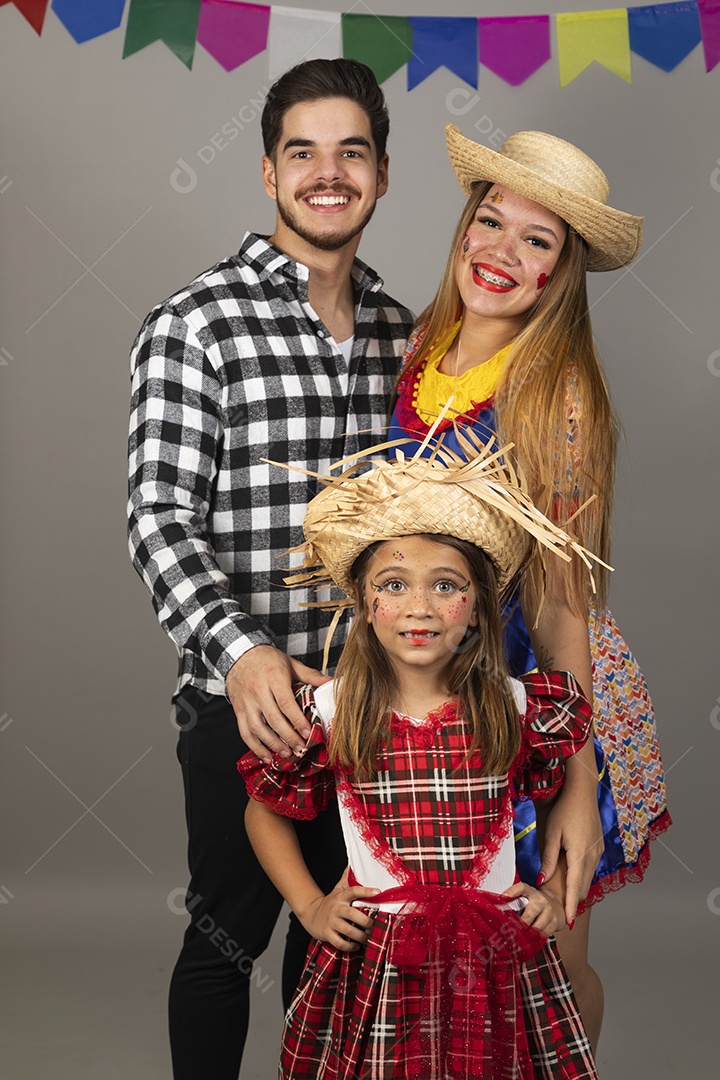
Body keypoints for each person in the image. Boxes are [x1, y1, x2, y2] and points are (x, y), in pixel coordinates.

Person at [127, 58, 414, 1079]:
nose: (327, 173)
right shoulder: (195, 324)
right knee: (223, 940)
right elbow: (157, 519)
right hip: (242, 705)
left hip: (376, 706)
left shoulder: (403, 336)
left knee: (339, 943)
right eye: (304, 153)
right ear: (267, 173)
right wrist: (242, 653)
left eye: (352, 152)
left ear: (383, 175)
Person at [387, 125, 671, 1047]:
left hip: (546, 694)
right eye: (490, 220)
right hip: (444, 683)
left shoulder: (558, 394)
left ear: (561, 270)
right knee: (456, 946)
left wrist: (576, 782)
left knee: (552, 953)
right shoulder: (424, 347)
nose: (502, 251)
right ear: (464, 226)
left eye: (537, 240)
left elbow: (560, 604)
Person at [239, 435, 600, 1078]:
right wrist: (312, 905)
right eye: (395, 584)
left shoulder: (517, 708)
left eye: (446, 587)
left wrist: (545, 895)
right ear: (364, 604)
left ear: (477, 609)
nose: (420, 608)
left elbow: (548, 813)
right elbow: (263, 812)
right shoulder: (333, 711)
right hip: (383, 960)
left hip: (493, 958)